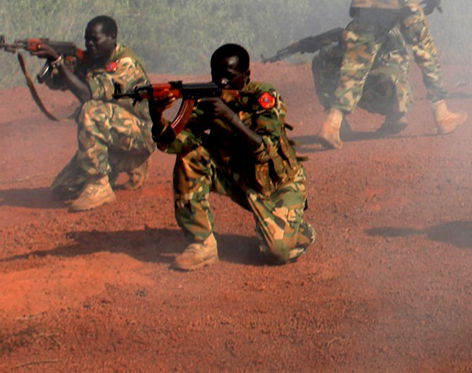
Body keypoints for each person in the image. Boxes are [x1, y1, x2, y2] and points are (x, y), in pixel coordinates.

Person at [152, 43, 315, 271]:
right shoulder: (211, 100)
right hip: (238, 176)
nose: (221, 83)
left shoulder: (263, 97)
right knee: (190, 155)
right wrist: (157, 116)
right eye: (215, 75)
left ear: (246, 75)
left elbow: (266, 149)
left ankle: (298, 230)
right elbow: (173, 143)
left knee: (277, 252)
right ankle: (202, 245)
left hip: (276, 185)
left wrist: (229, 116)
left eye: (228, 77)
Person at [319, 0, 466, 148]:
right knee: (425, 52)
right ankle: (442, 115)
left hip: (367, 1)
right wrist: (433, 0)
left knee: (355, 64)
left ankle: (332, 122)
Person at [35, 15, 154, 212]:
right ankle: (121, 164)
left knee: (90, 110)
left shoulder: (125, 65)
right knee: (62, 189)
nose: (90, 44)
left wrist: (59, 62)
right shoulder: (94, 61)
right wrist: (60, 68)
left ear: (112, 37)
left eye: (95, 39)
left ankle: (100, 185)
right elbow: (59, 85)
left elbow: (86, 93)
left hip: (141, 134)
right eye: (86, 40)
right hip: (114, 134)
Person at [306, 27, 414, 134]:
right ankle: (396, 115)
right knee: (391, 77)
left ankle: (337, 119)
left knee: (322, 60)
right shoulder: (396, 36)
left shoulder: (366, 28)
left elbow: (346, 37)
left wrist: (314, 43)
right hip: (399, 95)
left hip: (372, 92)